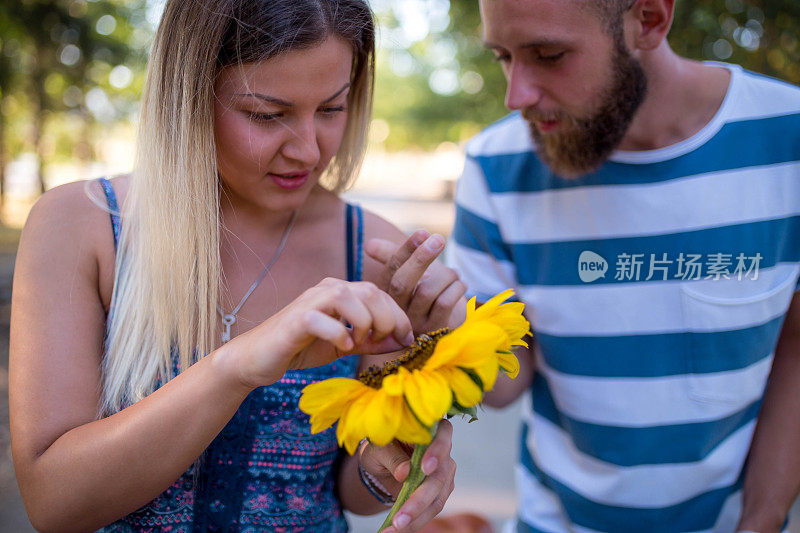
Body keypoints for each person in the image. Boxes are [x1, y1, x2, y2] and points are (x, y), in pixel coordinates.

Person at [9, 1, 466, 531]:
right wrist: (237, 366)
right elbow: (53, 503)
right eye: (266, 115)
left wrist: (393, 452)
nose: (307, 150)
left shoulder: (374, 250)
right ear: (187, 97)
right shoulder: (83, 226)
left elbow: (352, 488)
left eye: (332, 108)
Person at [444, 0, 800, 531]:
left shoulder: (787, 139)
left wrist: (764, 516)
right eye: (503, 56)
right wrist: (437, 328)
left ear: (650, 20)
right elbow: (500, 386)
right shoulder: (496, 168)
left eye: (548, 54)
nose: (516, 95)